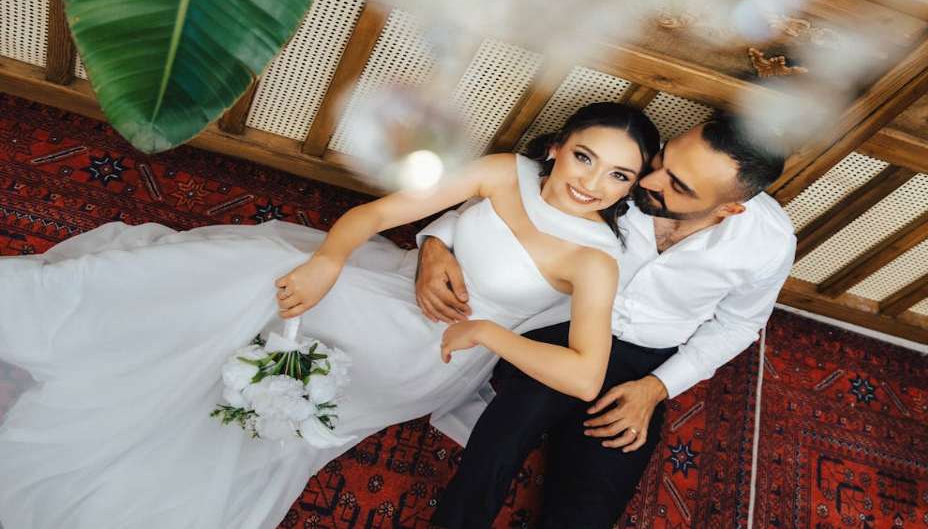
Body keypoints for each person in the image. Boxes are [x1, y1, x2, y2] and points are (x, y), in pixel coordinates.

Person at [0, 102, 660, 529]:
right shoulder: (500, 172)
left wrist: (488, 331)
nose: (591, 184)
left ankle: (84, 318)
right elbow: (379, 215)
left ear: (630, 189)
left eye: (618, 178)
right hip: (393, 284)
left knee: (258, 283)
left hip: (426, 353)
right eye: (585, 158)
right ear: (556, 148)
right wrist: (332, 261)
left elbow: (581, 376)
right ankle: (81, 308)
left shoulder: (595, 259)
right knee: (272, 268)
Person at [423, 114, 796, 529]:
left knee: (589, 510)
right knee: (491, 456)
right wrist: (439, 241)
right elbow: (516, 191)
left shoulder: (769, 243)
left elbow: (738, 325)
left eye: (679, 187)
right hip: (560, 330)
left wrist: (656, 389)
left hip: (643, 365)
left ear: (729, 208)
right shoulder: (618, 174)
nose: (651, 183)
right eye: (663, 163)